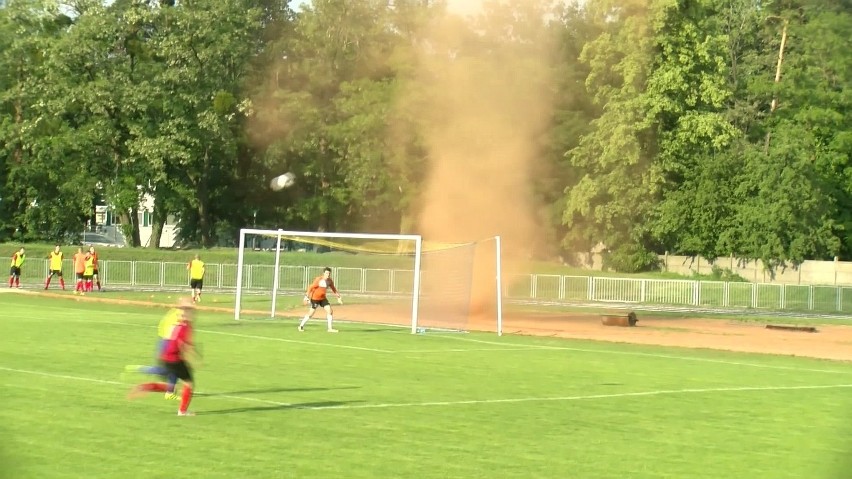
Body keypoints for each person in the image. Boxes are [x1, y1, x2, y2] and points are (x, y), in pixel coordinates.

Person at [128, 298, 199, 416]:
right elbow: (182, 344)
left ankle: (145, 387)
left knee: (172, 384)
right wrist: (191, 355)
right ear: (186, 312)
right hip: (174, 357)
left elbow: (174, 340)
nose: (193, 312)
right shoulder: (185, 326)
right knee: (188, 383)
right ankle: (182, 411)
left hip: (166, 356)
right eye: (190, 310)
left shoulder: (178, 322)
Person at [125, 302, 186, 400]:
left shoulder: (173, 314)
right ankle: (139, 369)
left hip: (166, 343)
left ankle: (170, 393)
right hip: (167, 344)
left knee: (174, 370)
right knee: (163, 370)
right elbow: (174, 333)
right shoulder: (177, 318)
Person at [298, 267, 343, 333]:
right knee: (311, 314)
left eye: (329, 273)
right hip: (315, 299)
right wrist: (306, 296)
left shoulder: (329, 281)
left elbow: (334, 289)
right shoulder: (318, 279)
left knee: (330, 311)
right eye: (327, 273)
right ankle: (301, 326)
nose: (328, 274)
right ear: (324, 273)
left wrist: (338, 297)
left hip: (323, 299)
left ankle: (330, 328)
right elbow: (311, 287)